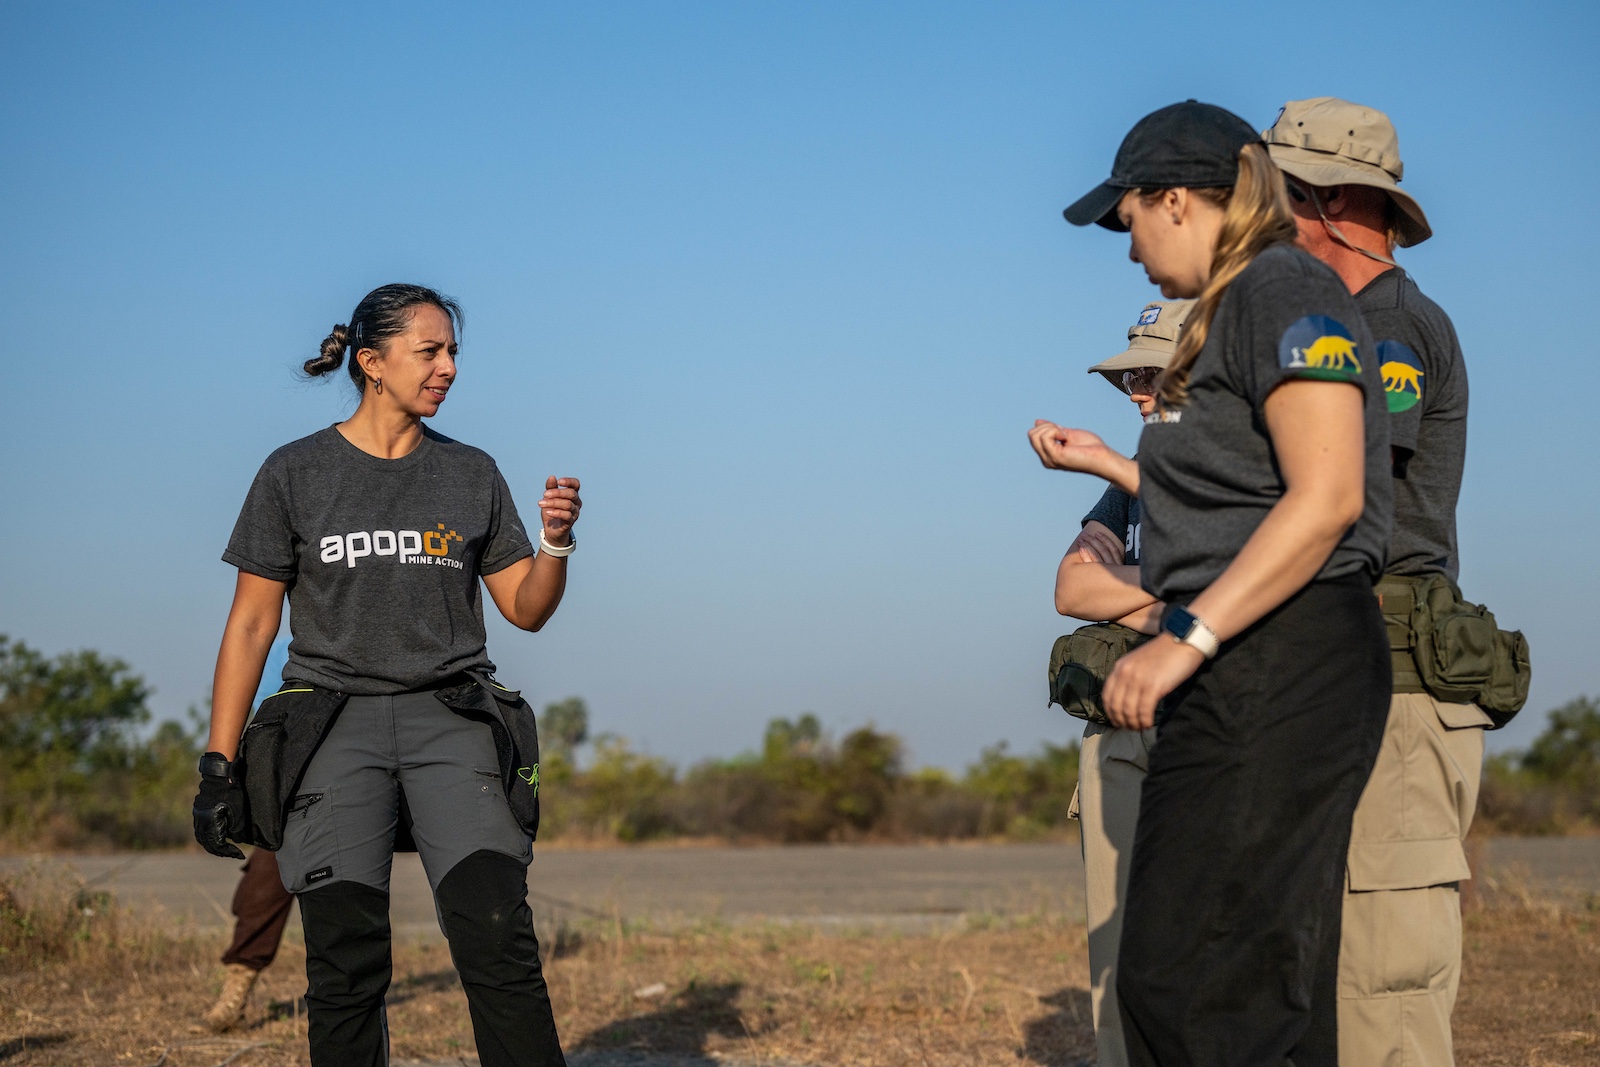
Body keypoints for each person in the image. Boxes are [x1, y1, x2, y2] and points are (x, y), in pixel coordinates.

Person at [1040, 100, 1393, 1065]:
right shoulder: (1229, 312)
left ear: (1179, 200)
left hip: (1284, 659)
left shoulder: (1282, 289)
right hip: (1240, 663)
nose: (1128, 250)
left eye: (1130, 221)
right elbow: (1236, 494)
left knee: (1206, 986)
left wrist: (1185, 635)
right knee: (1215, 978)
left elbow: (1327, 497)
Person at [192, 283, 580, 1067]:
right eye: (430, 351)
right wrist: (217, 761)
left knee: (498, 942)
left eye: (453, 353)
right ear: (372, 361)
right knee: (345, 965)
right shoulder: (294, 472)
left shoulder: (471, 473)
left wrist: (556, 544)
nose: (448, 369)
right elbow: (252, 624)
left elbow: (525, 609)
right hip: (333, 725)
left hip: (453, 722)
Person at [1265, 97, 1492, 1067]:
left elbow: (1344, 500)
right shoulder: (1341, 324)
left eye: (1267, 197)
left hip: (1391, 673)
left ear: (1322, 199)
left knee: (1380, 990)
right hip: (1346, 668)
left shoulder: (1386, 330)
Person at [1029, 298, 1191, 1067]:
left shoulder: (1242, 463)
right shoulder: (1131, 480)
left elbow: (1236, 554)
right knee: (1117, 958)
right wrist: (1164, 597)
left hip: (1204, 734)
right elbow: (1070, 588)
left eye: (1153, 374)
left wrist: (1154, 589)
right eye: (1129, 376)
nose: (1136, 391)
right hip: (1124, 736)